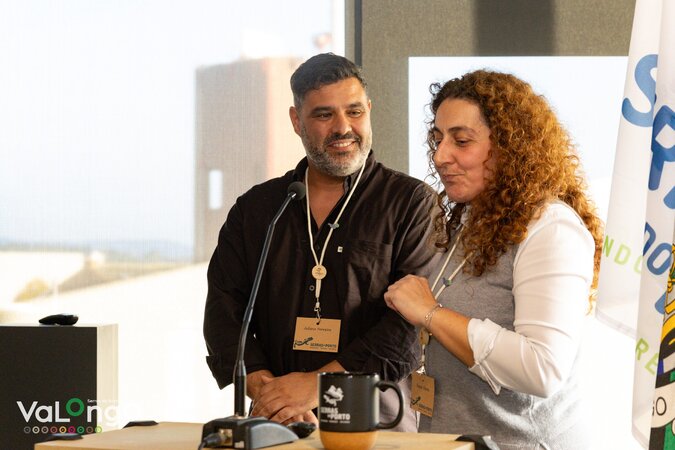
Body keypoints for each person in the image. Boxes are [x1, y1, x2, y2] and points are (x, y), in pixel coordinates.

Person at [203, 53, 436, 430]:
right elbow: (224, 312)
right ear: (297, 121)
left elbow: (410, 327)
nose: (343, 127)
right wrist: (271, 393)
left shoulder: (411, 203)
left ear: (369, 110)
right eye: (324, 115)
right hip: (277, 424)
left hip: (375, 424)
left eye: (354, 112)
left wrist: (318, 385)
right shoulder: (258, 209)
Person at [383, 70, 603, 448]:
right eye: (437, 139)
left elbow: (542, 369)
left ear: (509, 146)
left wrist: (431, 314)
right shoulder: (468, 222)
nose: (440, 156)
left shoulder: (550, 229)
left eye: (461, 141)